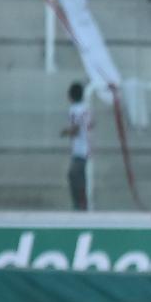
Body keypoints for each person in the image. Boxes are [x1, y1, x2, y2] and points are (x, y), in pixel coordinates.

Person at [62, 82, 92, 210]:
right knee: (80, 176)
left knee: (73, 174)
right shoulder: (85, 108)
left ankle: (79, 204)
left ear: (71, 95)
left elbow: (76, 128)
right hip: (83, 147)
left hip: (81, 149)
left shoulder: (75, 109)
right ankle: (82, 204)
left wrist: (65, 132)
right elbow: (90, 123)